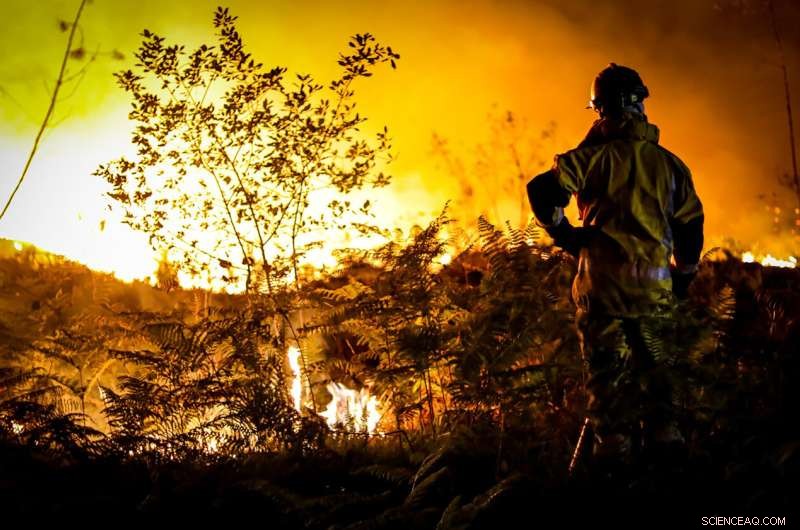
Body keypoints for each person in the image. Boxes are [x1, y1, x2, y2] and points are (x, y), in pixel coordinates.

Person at [527, 63, 704, 459]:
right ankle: (665, 463)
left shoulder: (590, 158)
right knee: (659, 386)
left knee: (608, 390)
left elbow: (541, 191)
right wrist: (683, 276)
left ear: (602, 109)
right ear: (640, 105)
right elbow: (690, 227)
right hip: (654, 298)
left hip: (602, 296)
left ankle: (613, 465)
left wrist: (565, 234)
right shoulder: (671, 165)